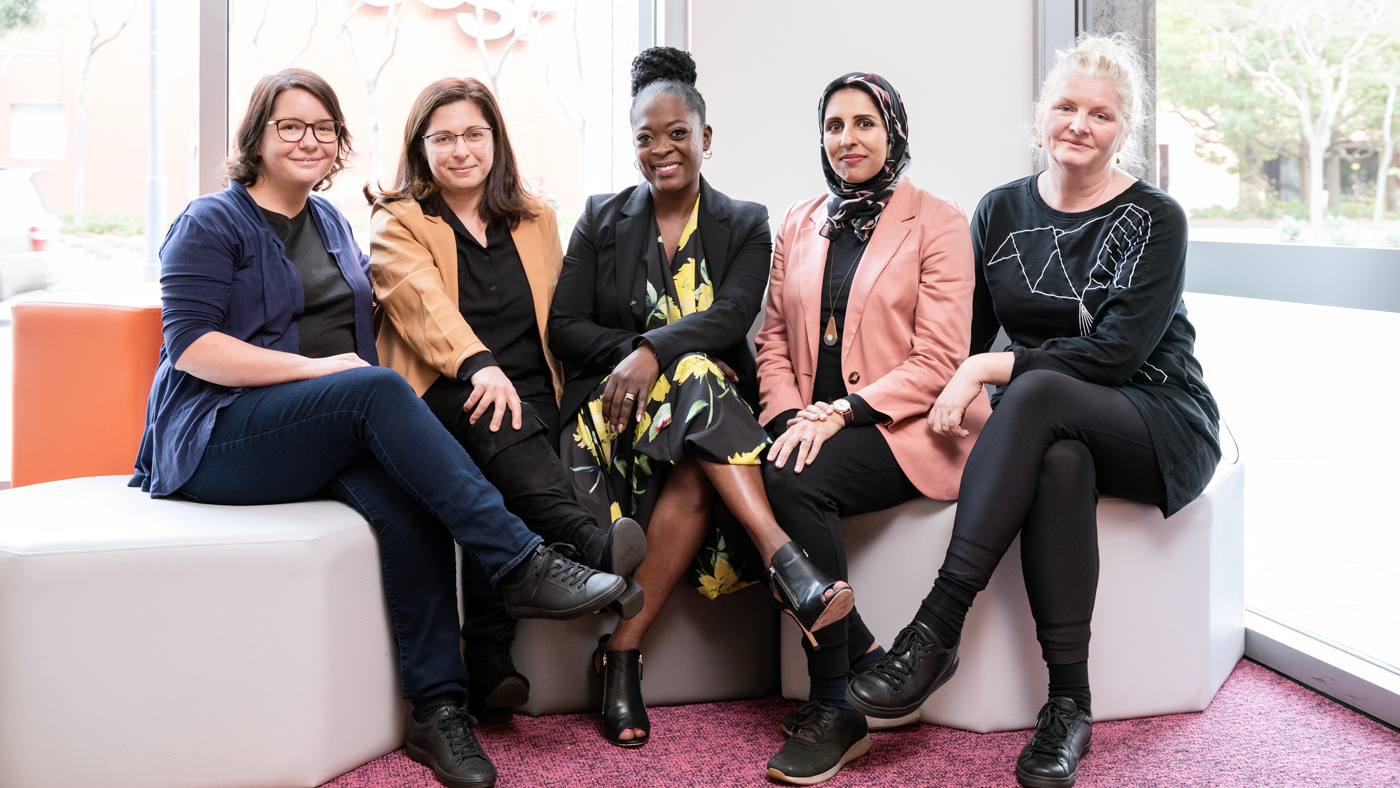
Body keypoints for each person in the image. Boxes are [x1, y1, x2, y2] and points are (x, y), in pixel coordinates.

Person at [130, 69, 629, 788]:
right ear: (257, 139)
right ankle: (522, 565)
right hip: (216, 437)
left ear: (340, 145)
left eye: (323, 128)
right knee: (373, 389)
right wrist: (325, 374)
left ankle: (438, 708)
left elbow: (386, 313)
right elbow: (192, 348)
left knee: (411, 503)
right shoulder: (211, 220)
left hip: (315, 431)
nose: (309, 140)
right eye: (290, 126)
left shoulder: (332, 223)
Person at [845, 36, 1221, 788]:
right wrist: (858, 405)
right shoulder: (1001, 210)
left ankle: (935, 628)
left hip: (1157, 416)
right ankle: (1069, 706)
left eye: (1102, 115)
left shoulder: (1157, 219)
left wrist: (988, 369)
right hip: (1056, 424)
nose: (1080, 124)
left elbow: (1115, 356)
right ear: (1040, 116)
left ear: (1126, 130)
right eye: (1066, 106)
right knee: (1057, 455)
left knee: (1037, 392)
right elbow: (961, 336)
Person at [548, 47, 853, 749]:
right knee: (701, 380)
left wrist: (653, 351)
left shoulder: (745, 221)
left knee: (697, 386)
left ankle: (621, 653)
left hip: (698, 424)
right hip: (610, 421)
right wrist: (634, 363)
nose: (662, 149)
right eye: (646, 138)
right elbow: (566, 328)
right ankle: (786, 561)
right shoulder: (600, 218)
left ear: (705, 137)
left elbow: (733, 313)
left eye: (677, 132)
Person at [367, 76, 648, 725]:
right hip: (439, 391)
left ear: (495, 140)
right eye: (444, 137)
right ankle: (590, 544)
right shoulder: (399, 218)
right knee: (489, 415)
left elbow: (563, 316)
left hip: (532, 394)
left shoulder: (535, 216)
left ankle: (491, 662)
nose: (460, 149)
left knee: (502, 443)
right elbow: (419, 302)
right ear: (421, 146)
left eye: (473, 134)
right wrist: (479, 366)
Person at [754, 72, 990, 785]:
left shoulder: (939, 220)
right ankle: (860, 653)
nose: (846, 139)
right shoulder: (798, 219)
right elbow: (770, 342)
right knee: (750, 469)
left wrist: (841, 413)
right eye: (833, 125)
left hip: (905, 426)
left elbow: (940, 358)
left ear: (893, 132)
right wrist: (794, 414)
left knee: (793, 474)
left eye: (864, 123)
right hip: (812, 421)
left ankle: (836, 705)